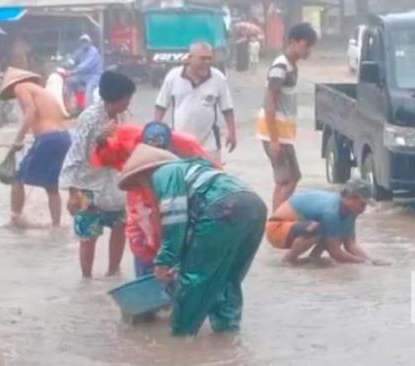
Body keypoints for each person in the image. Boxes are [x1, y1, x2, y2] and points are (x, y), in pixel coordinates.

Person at [118, 144, 267, 336]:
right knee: (229, 278)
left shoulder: (163, 174)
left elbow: (175, 220)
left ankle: (182, 340)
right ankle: (227, 335)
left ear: (144, 174)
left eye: (140, 183)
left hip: (222, 209)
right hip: (254, 206)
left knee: (193, 281)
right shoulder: (195, 170)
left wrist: (165, 261)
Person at [91, 121, 222, 277]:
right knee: (143, 247)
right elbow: (104, 159)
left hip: (173, 201)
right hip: (141, 206)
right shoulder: (126, 142)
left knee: (179, 245)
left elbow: (211, 177)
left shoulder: (186, 147)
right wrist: (100, 140)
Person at [59, 71, 136, 278]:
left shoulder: (122, 116)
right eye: (127, 98)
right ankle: (86, 278)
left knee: (120, 227)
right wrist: (72, 193)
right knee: (88, 237)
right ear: (117, 98)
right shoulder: (90, 118)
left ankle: (113, 271)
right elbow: (76, 155)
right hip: (89, 186)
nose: (129, 102)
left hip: (115, 182)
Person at [0, 67, 72, 228]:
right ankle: (56, 226)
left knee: (17, 178)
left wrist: (18, 139)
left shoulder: (21, 87)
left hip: (48, 138)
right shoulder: (40, 90)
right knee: (51, 186)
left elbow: (31, 111)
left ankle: (15, 219)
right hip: (62, 137)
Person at [256, 23, 318, 210]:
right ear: (293, 42)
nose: (309, 51)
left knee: (289, 179)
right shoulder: (280, 67)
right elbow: (270, 103)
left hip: (282, 134)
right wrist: (274, 140)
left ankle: (276, 219)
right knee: (288, 180)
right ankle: (276, 222)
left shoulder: (291, 66)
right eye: (306, 45)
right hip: (274, 133)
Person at [266, 180, 387, 266]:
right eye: (362, 204)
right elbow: (334, 251)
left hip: (297, 228)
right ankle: (288, 260)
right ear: (350, 198)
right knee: (318, 229)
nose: (364, 209)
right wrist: (363, 263)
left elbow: (350, 244)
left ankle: (313, 259)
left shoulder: (350, 211)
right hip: (276, 229)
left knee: (333, 232)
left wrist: (370, 261)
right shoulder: (331, 211)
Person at [154, 41, 237, 159]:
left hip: (209, 144)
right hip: (179, 141)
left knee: (211, 175)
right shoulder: (173, 76)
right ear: (189, 58)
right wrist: (155, 129)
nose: (206, 62)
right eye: (202, 59)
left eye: (209, 58)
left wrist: (232, 133)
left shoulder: (218, 78)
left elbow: (227, 108)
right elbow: (161, 105)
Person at [69, 34, 103, 107]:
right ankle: (78, 104)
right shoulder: (79, 51)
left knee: (89, 89)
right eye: (82, 42)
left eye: (86, 41)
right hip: (82, 75)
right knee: (71, 81)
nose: (84, 43)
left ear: (90, 42)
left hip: (94, 76)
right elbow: (73, 59)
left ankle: (88, 109)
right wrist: (67, 64)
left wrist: (73, 71)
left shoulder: (93, 52)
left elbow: (85, 66)